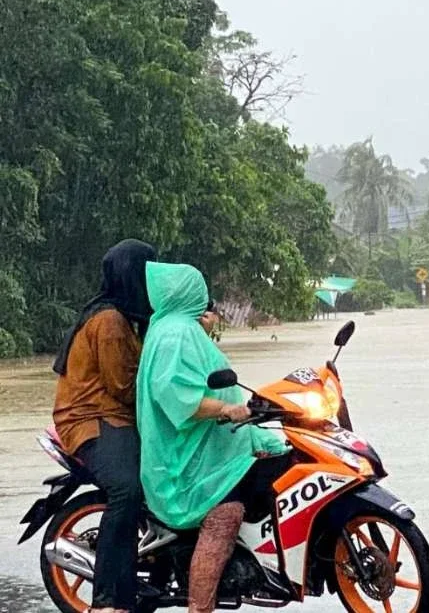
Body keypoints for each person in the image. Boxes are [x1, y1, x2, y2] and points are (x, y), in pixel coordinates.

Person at [135, 262, 288, 613]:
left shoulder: (177, 327)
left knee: (278, 457)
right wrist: (226, 408)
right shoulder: (175, 333)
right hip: (186, 466)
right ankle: (199, 607)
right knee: (226, 514)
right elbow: (176, 395)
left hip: (208, 449)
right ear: (188, 293)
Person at [52, 239, 158, 613]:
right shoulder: (110, 322)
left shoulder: (124, 317)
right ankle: (106, 599)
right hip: (90, 420)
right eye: (148, 273)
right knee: (126, 491)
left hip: (112, 415)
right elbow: (124, 387)